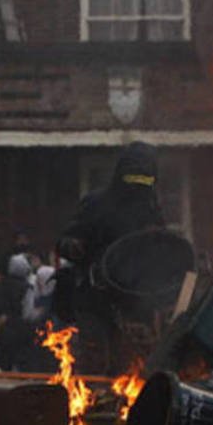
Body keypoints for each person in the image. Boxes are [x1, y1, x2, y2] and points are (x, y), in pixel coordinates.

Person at [54, 142, 166, 373]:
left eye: (144, 180)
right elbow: (64, 241)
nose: (138, 187)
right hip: (95, 298)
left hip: (134, 302)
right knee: (94, 361)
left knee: (130, 367)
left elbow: (160, 254)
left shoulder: (151, 209)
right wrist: (73, 246)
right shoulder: (96, 203)